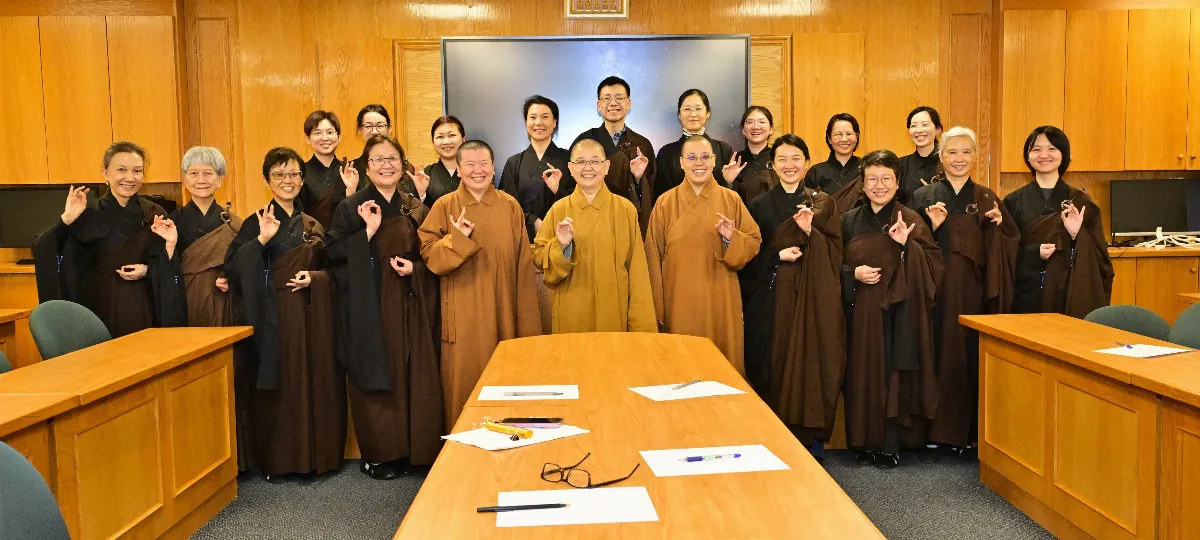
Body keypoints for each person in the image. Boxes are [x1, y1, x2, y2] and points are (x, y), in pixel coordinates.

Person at [224, 147, 345, 481]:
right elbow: (233, 268)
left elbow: (335, 271)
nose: (287, 181)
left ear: (302, 179)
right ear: (268, 180)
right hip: (273, 316)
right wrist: (260, 240)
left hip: (311, 316)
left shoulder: (312, 223)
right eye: (279, 175)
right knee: (280, 384)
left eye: (293, 174)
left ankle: (315, 460)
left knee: (313, 381)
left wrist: (316, 278)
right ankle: (280, 462)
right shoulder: (256, 221)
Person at [326, 135, 442, 480]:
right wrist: (367, 232)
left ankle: (415, 449)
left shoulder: (413, 206)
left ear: (403, 165)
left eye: (393, 158)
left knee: (413, 371)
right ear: (366, 167)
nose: (387, 165)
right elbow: (331, 253)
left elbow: (430, 253)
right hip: (370, 305)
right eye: (378, 159)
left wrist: (415, 270)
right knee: (379, 372)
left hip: (409, 301)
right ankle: (381, 454)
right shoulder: (352, 207)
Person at [419, 140, 542, 429]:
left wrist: (526, 323)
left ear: (493, 166)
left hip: (504, 313)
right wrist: (457, 238)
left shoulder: (510, 206)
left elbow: (524, 265)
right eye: (470, 165)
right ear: (459, 169)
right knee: (465, 386)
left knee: (506, 384)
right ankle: (462, 458)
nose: (478, 170)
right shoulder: (445, 205)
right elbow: (430, 258)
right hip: (464, 317)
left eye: (484, 163)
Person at [911, 127, 1019, 458]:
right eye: (952, 153)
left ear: (976, 157)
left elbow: (1010, 244)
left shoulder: (987, 197)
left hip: (975, 292)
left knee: (971, 355)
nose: (959, 159)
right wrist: (934, 228)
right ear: (940, 157)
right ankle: (935, 430)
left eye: (966, 152)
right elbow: (908, 244)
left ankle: (972, 432)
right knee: (936, 352)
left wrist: (998, 228)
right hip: (936, 292)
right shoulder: (923, 197)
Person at [739, 134, 844, 462]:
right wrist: (776, 256)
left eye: (796, 158)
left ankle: (810, 442)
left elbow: (836, 251)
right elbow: (750, 256)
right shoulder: (758, 204)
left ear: (807, 162)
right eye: (782, 159)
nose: (789, 165)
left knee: (810, 362)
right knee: (772, 364)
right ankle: (772, 440)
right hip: (772, 297)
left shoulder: (823, 202)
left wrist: (812, 232)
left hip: (813, 298)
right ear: (773, 164)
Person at [841, 149, 943, 469]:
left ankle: (889, 443)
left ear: (898, 183)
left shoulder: (910, 220)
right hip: (859, 311)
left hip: (899, 313)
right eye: (872, 178)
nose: (879, 185)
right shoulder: (848, 220)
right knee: (860, 375)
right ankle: (862, 441)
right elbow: (830, 264)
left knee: (891, 375)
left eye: (887, 178)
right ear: (862, 183)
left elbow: (934, 266)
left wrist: (905, 247)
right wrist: (852, 274)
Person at [32, 141, 185, 337]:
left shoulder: (155, 213)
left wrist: (150, 269)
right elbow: (45, 249)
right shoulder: (87, 214)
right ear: (105, 173)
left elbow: (169, 262)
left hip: (145, 302)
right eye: (121, 170)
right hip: (99, 304)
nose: (130, 178)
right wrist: (67, 220)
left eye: (137, 171)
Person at [646, 135, 761, 373]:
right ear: (681, 163)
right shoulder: (665, 203)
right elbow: (652, 256)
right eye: (691, 157)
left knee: (719, 367)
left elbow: (753, 241)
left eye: (705, 157)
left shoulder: (731, 199)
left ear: (714, 161)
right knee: (680, 368)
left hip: (719, 296)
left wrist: (732, 238)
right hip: (678, 299)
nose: (699, 163)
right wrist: (657, 307)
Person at [532, 139, 656, 334]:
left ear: (606, 167)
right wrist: (561, 247)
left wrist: (642, 327)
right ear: (571, 168)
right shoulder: (559, 209)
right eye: (580, 162)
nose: (587, 168)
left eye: (595, 161)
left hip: (615, 310)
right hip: (571, 309)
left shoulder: (625, 210)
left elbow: (638, 272)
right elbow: (539, 257)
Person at [1004, 126, 1113, 317]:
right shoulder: (1012, 202)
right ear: (1027, 156)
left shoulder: (1082, 202)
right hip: (1026, 295)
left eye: (1052, 148)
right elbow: (1002, 252)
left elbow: (1100, 260)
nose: (1044, 155)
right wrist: (1033, 252)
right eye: (1036, 149)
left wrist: (1076, 236)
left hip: (1068, 293)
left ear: (1064, 155)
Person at [570, 76, 657, 232]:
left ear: (628, 103)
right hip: (591, 223)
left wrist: (637, 179)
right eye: (607, 98)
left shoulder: (642, 145)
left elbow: (651, 193)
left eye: (619, 98)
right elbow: (571, 187)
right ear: (599, 105)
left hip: (628, 223)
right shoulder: (585, 141)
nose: (613, 103)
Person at [171, 146, 241, 327]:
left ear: (220, 179)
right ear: (184, 179)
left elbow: (245, 265)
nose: (201, 180)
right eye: (193, 173)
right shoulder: (171, 222)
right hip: (185, 298)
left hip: (222, 300)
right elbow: (162, 267)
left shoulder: (233, 223)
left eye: (208, 173)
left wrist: (231, 279)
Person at [500, 95, 575, 242]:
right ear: (526, 122)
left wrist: (557, 190)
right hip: (524, 240)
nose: (538, 122)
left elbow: (580, 200)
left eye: (545, 117)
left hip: (564, 238)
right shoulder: (514, 163)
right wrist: (532, 221)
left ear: (555, 122)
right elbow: (507, 205)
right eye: (533, 117)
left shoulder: (569, 159)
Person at [653, 89, 735, 203]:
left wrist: (728, 182)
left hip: (716, 216)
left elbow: (733, 197)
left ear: (708, 113)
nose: (693, 114)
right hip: (678, 217)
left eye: (698, 109)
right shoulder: (666, 153)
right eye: (687, 109)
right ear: (679, 115)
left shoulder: (723, 149)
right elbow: (660, 195)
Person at [299, 110, 355, 229]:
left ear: (339, 137)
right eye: (317, 133)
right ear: (308, 138)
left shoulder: (350, 170)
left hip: (345, 240)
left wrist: (351, 192)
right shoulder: (299, 173)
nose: (325, 138)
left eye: (330, 132)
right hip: (313, 241)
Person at [805, 113, 864, 214]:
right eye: (838, 134)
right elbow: (809, 207)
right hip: (825, 228)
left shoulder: (866, 168)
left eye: (849, 134)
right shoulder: (816, 172)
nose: (844, 139)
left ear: (856, 137)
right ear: (829, 138)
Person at [401, 116, 465, 207]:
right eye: (440, 137)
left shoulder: (475, 172)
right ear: (433, 142)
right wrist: (421, 194)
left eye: (452, 135)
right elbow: (409, 210)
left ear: (464, 139)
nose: (446, 141)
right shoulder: (424, 175)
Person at [729, 106, 776, 205]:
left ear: (771, 129)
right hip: (740, 216)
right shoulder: (733, 160)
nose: (756, 126)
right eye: (750, 122)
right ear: (743, 130)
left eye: (762, 122)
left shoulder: (779, 158)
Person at [898, 106, 944, 202]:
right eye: (913, 126)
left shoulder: (948, 162)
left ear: (938, 129)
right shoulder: (900, 164)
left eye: (925, 124)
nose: (919, 130)